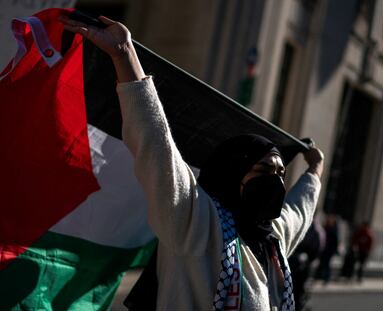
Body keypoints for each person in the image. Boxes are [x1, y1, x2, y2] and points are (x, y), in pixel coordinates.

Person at [61, 15, 324, 311]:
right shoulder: (196, 223)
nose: (275, 182)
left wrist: (314, 170)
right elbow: (157, 149)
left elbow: (300, 210)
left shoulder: (273, 238)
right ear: (233, 173)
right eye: (263, 170)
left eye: (280, 173)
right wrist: (125, 55)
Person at [314, 214, 339, 284]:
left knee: (326, 264)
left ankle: (326, 278)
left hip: (329, 251)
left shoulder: (333, 230)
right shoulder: (325, 228)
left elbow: (335, 242)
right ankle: (318, 276)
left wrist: (333, 251)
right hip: (324, 249)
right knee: (321, 263)